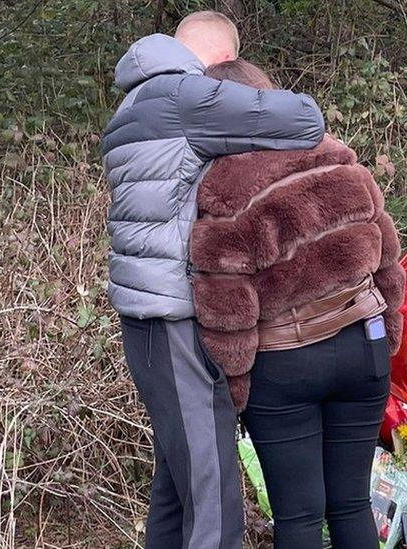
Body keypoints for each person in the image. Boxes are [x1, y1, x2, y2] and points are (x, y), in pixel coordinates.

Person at [102, 11, 325, 549]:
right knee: (215, 497)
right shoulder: (184, 96)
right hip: (174, 320)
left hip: (147, 320)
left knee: (177, 488)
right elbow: (304, 119)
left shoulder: (135, 100)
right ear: (223, 60)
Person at [189, 59, 405, 549]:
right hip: (362, 346)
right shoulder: (337, 155)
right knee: (352, 504)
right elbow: (389, 259)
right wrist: (387, 334)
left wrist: (237, 390)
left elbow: (227, 310)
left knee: (300, 518)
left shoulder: (222, 187)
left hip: (284, 365)